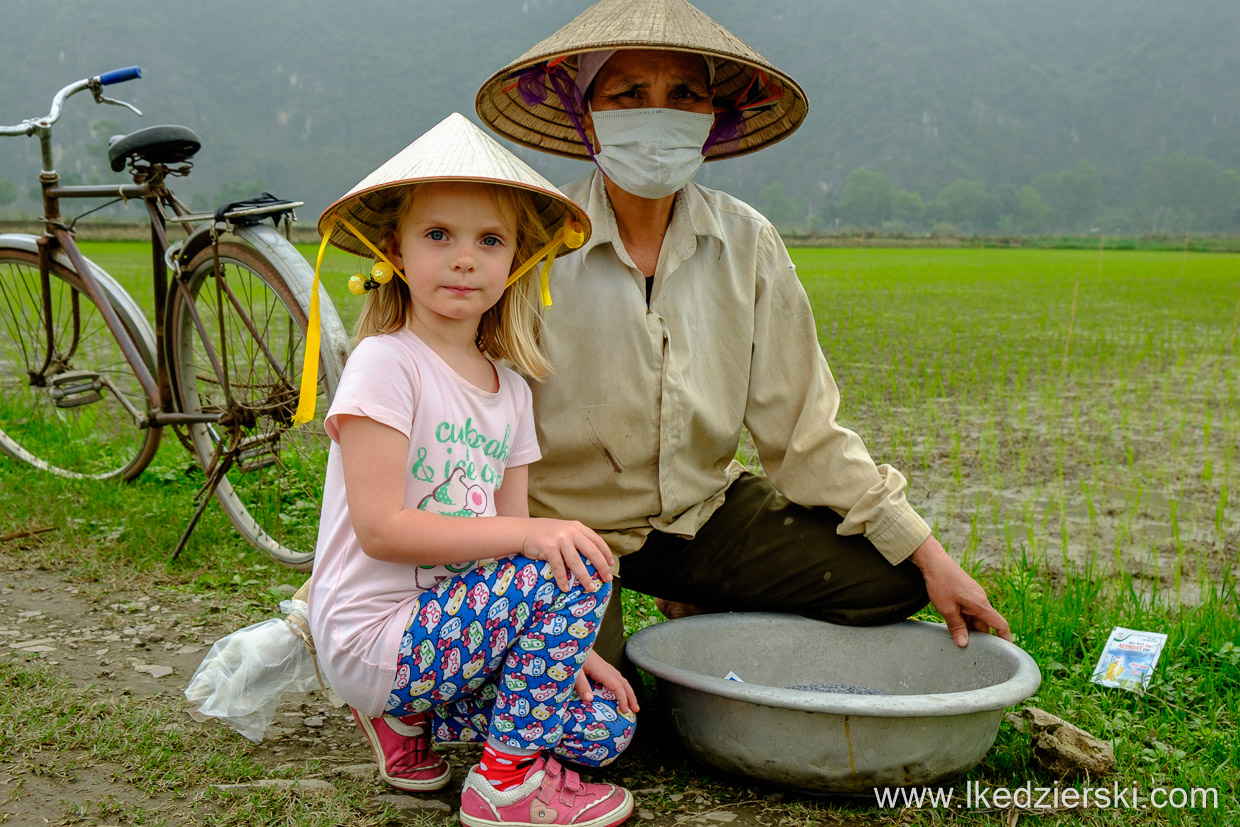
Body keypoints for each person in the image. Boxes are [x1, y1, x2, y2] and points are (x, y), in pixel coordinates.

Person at [474, 0, 1011, 671]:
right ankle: (602, 629)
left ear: (711, 116)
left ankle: (692, 604)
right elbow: (475, 423)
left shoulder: (747, 242)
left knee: (891, 576)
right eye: (630, 93)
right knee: (592, 735)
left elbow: (805, 431)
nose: (658, 111)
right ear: (588, 114)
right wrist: (515, 543)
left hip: (700, 514)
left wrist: (929, 553)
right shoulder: (531, 242)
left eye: (684, 95)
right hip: (565, 533)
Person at [301, 113, 636, 827]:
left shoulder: (510, 390)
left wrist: (562, 653)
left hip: (451, 629)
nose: (464, 259)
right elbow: (383, 529)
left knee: (606, 726)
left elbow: (499, 536)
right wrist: (537, 546)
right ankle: (505, 788)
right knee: (579, 557)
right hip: (375, 634)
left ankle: (413, 720)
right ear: (395, 249)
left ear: (515, 259)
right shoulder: (387, 362)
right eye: (438, 235)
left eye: (489, 240)